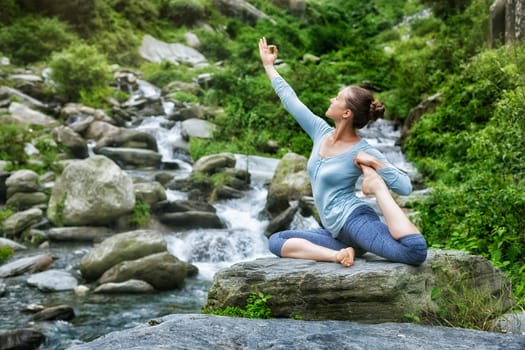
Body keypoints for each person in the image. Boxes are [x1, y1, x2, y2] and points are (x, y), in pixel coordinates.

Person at [258, 37, 427, 267]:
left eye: (337, 98)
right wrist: (269, 66)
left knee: (415, 252)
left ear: (346, 113)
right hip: (335, 234)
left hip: (355, 220)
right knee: (277, 240)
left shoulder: (363, 150)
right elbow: (291, 100)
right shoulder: (320, 131)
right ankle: (339, 255)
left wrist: (377, 167)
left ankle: (374, 188)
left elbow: (405, 187)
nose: (331, 99)